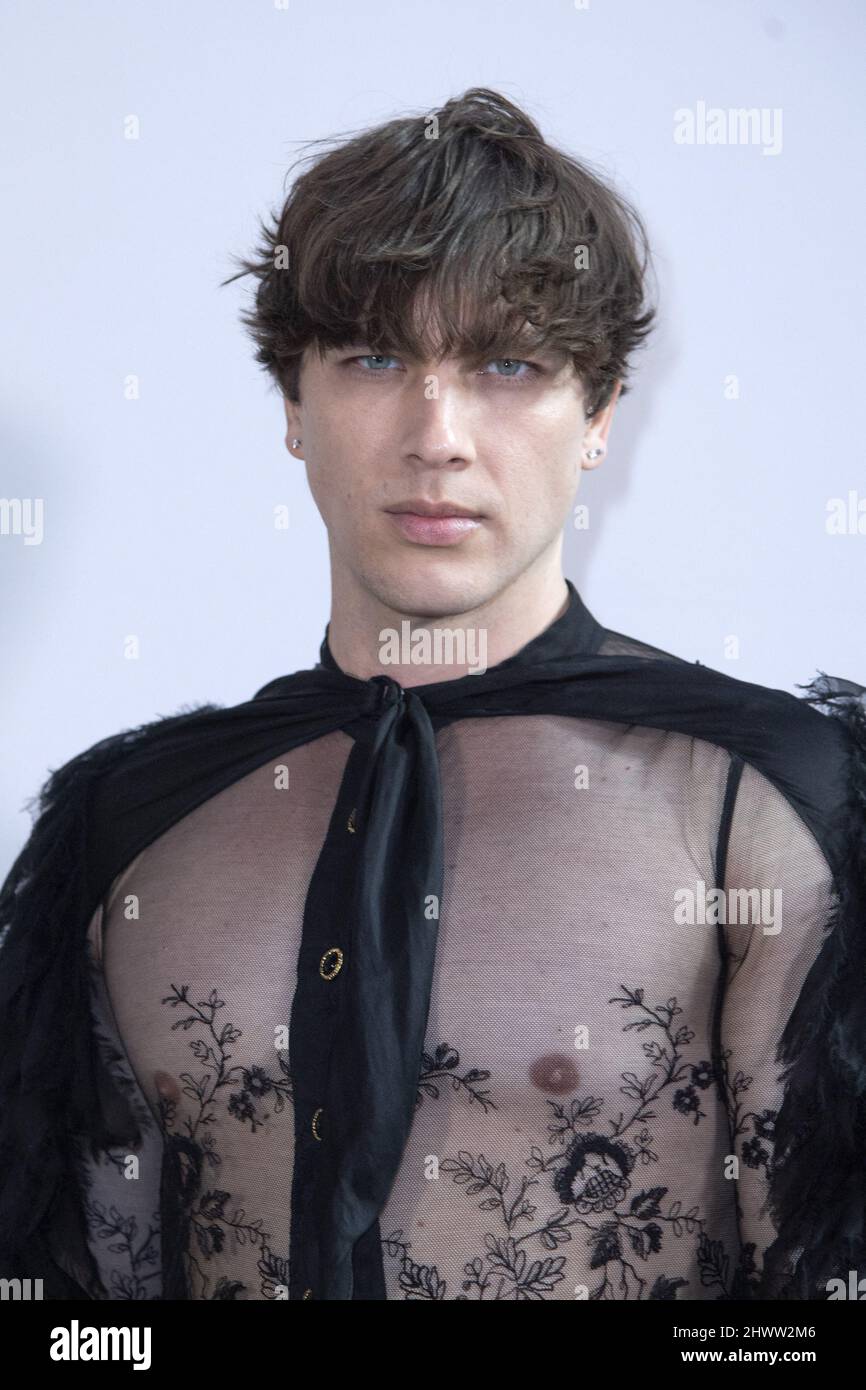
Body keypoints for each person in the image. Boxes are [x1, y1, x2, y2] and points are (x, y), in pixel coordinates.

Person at [1, 87, 864, 1303]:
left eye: (506, 363)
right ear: (294, 408)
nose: (436, 434)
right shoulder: (136, 819)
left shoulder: (758, 794)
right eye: (373, 358)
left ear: (600, 415)